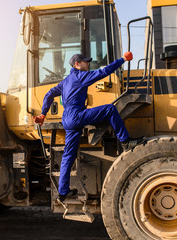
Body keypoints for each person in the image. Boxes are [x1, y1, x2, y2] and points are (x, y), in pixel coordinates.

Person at [34, 52, 137, 202]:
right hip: (77, 116)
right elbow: (104, 72)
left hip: (67, 120)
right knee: (109, 109)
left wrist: (43, 114)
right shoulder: (80, 77)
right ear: (77, 64)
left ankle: (62, 193)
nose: (88, 64)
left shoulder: (66, 81)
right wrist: (122, 59)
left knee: (67, 157)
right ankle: (125, 141)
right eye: (85, 62)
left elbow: (49, 94)